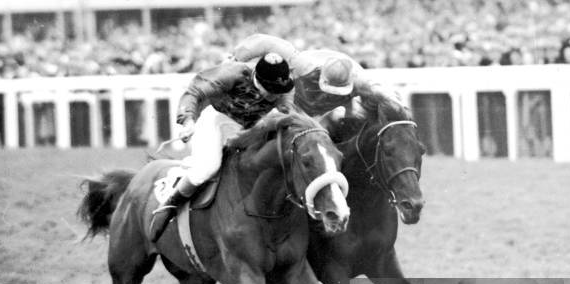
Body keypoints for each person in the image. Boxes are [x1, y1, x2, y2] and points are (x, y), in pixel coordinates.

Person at [149, 52, 295, 242]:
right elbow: (195, 91)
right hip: (216, 120)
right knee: (208, 168)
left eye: (279, 90)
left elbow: (288, 115)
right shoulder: (232, 74)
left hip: (249, 127)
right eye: (271, 90)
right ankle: (169, 206)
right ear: (257, 79)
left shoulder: (284, 87)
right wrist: (188, 121)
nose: (275, 95)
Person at [232, 33, 402, 120]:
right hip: (293, 104)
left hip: (327, 112)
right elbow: (265, 42)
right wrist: (236, 57)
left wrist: (395, 104)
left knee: (351, 119)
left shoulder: (361, 81)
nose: (333, 93)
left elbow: (384, 92)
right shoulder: (303, 64)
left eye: (338, 91)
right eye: (332, 89)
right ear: (322, 76)